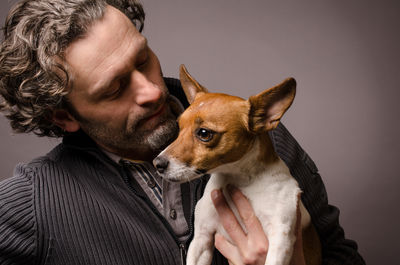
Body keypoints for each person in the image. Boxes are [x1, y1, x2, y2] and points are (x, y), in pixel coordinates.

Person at [0, 0, 365, 264]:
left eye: (143, 59)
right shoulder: (32, 203)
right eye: (114, 88)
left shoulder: (264, 141)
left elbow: (339, 255)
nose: (153, 91)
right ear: (63, 117)